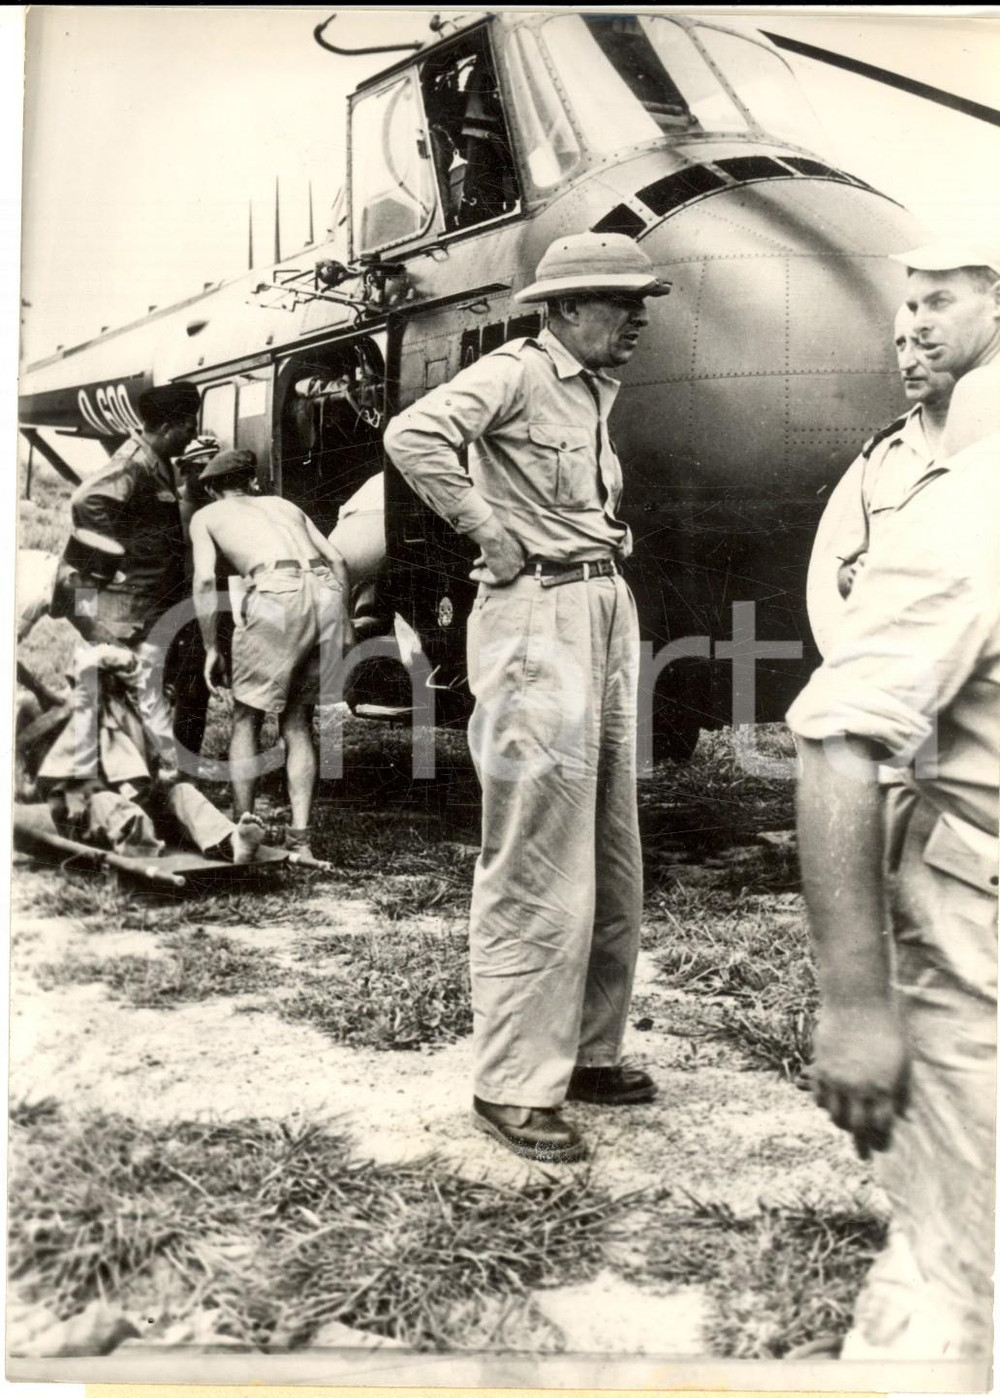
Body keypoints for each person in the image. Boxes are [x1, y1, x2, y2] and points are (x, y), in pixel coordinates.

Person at [384, 232, 671, 1163]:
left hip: (600, 602)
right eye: (622, 302)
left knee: (609, 842)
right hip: (535, 609)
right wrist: (490, 532)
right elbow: (413, 434)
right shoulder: (516, 370)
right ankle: (511, 1082)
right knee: (536, 849)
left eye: (642, 303)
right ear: (565, 306)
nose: (637, 318)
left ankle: (588, 1052)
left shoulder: (591, 390)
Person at [787, 381, 1000, 1358]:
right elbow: (838, 739)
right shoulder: (973, 510)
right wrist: (858, 1005)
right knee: (958, 1283)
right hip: (975, 943)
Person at [189, 449, 353, 858]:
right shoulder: (283, 504)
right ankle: (302, 842)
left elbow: (206, 580)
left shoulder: (206, 516)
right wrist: (346, 619)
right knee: (297, 719)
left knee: (246, 717)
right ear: (252, 483)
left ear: (211, 489)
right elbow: (337, 558)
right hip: (325, 590)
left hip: (277, 590)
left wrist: (211, 646)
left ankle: (244, 831)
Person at [51, 382, 201, 774]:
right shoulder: (133, 462)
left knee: (145, 695)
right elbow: (86, 500)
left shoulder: (159, 461)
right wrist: (108, 554)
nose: (193, 436)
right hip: (126, 605)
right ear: (168, 426)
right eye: (188, 427)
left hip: (150, 603)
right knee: (119, 699)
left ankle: (141, 778)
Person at [806, 305, 954, 659]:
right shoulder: (882, 456)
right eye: (901, 345)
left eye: (924, 344)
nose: (907, 361)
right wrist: (853, 575)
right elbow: (834, 572)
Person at [35, 640, 265, 864]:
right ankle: (145, 854)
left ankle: (231, 840)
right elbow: (66, 783)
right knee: (113, 806)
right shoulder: (85, 719)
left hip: (140, 803)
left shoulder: (132, 716)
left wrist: (160, 782)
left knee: (183, 793)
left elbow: (144, 768)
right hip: (94, 813)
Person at [891, 240, 1000, 456]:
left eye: (939, 302)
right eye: (914, 308)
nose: (919, 324)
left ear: (997, 301)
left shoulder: (980, 389)